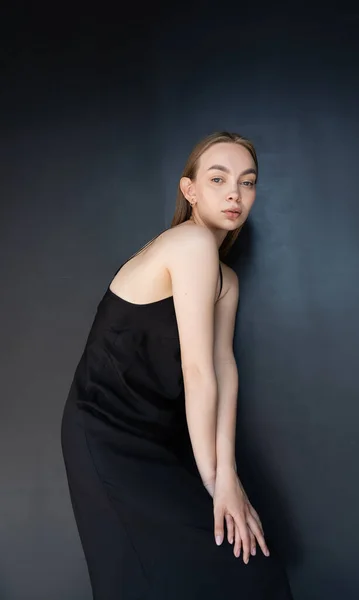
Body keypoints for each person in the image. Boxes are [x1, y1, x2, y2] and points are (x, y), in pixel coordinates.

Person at [61, 131, 293, 599]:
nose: (235, 193)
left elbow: (223, 370)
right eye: (218, 178)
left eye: (247, 182)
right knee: (153, 575)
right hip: (106, 432)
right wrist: (214, 481)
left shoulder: (226, 278)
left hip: (163, 434)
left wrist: (227, 474)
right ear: (190, 191)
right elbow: (197, 372)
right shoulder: (189, 244)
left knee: (247, 569)